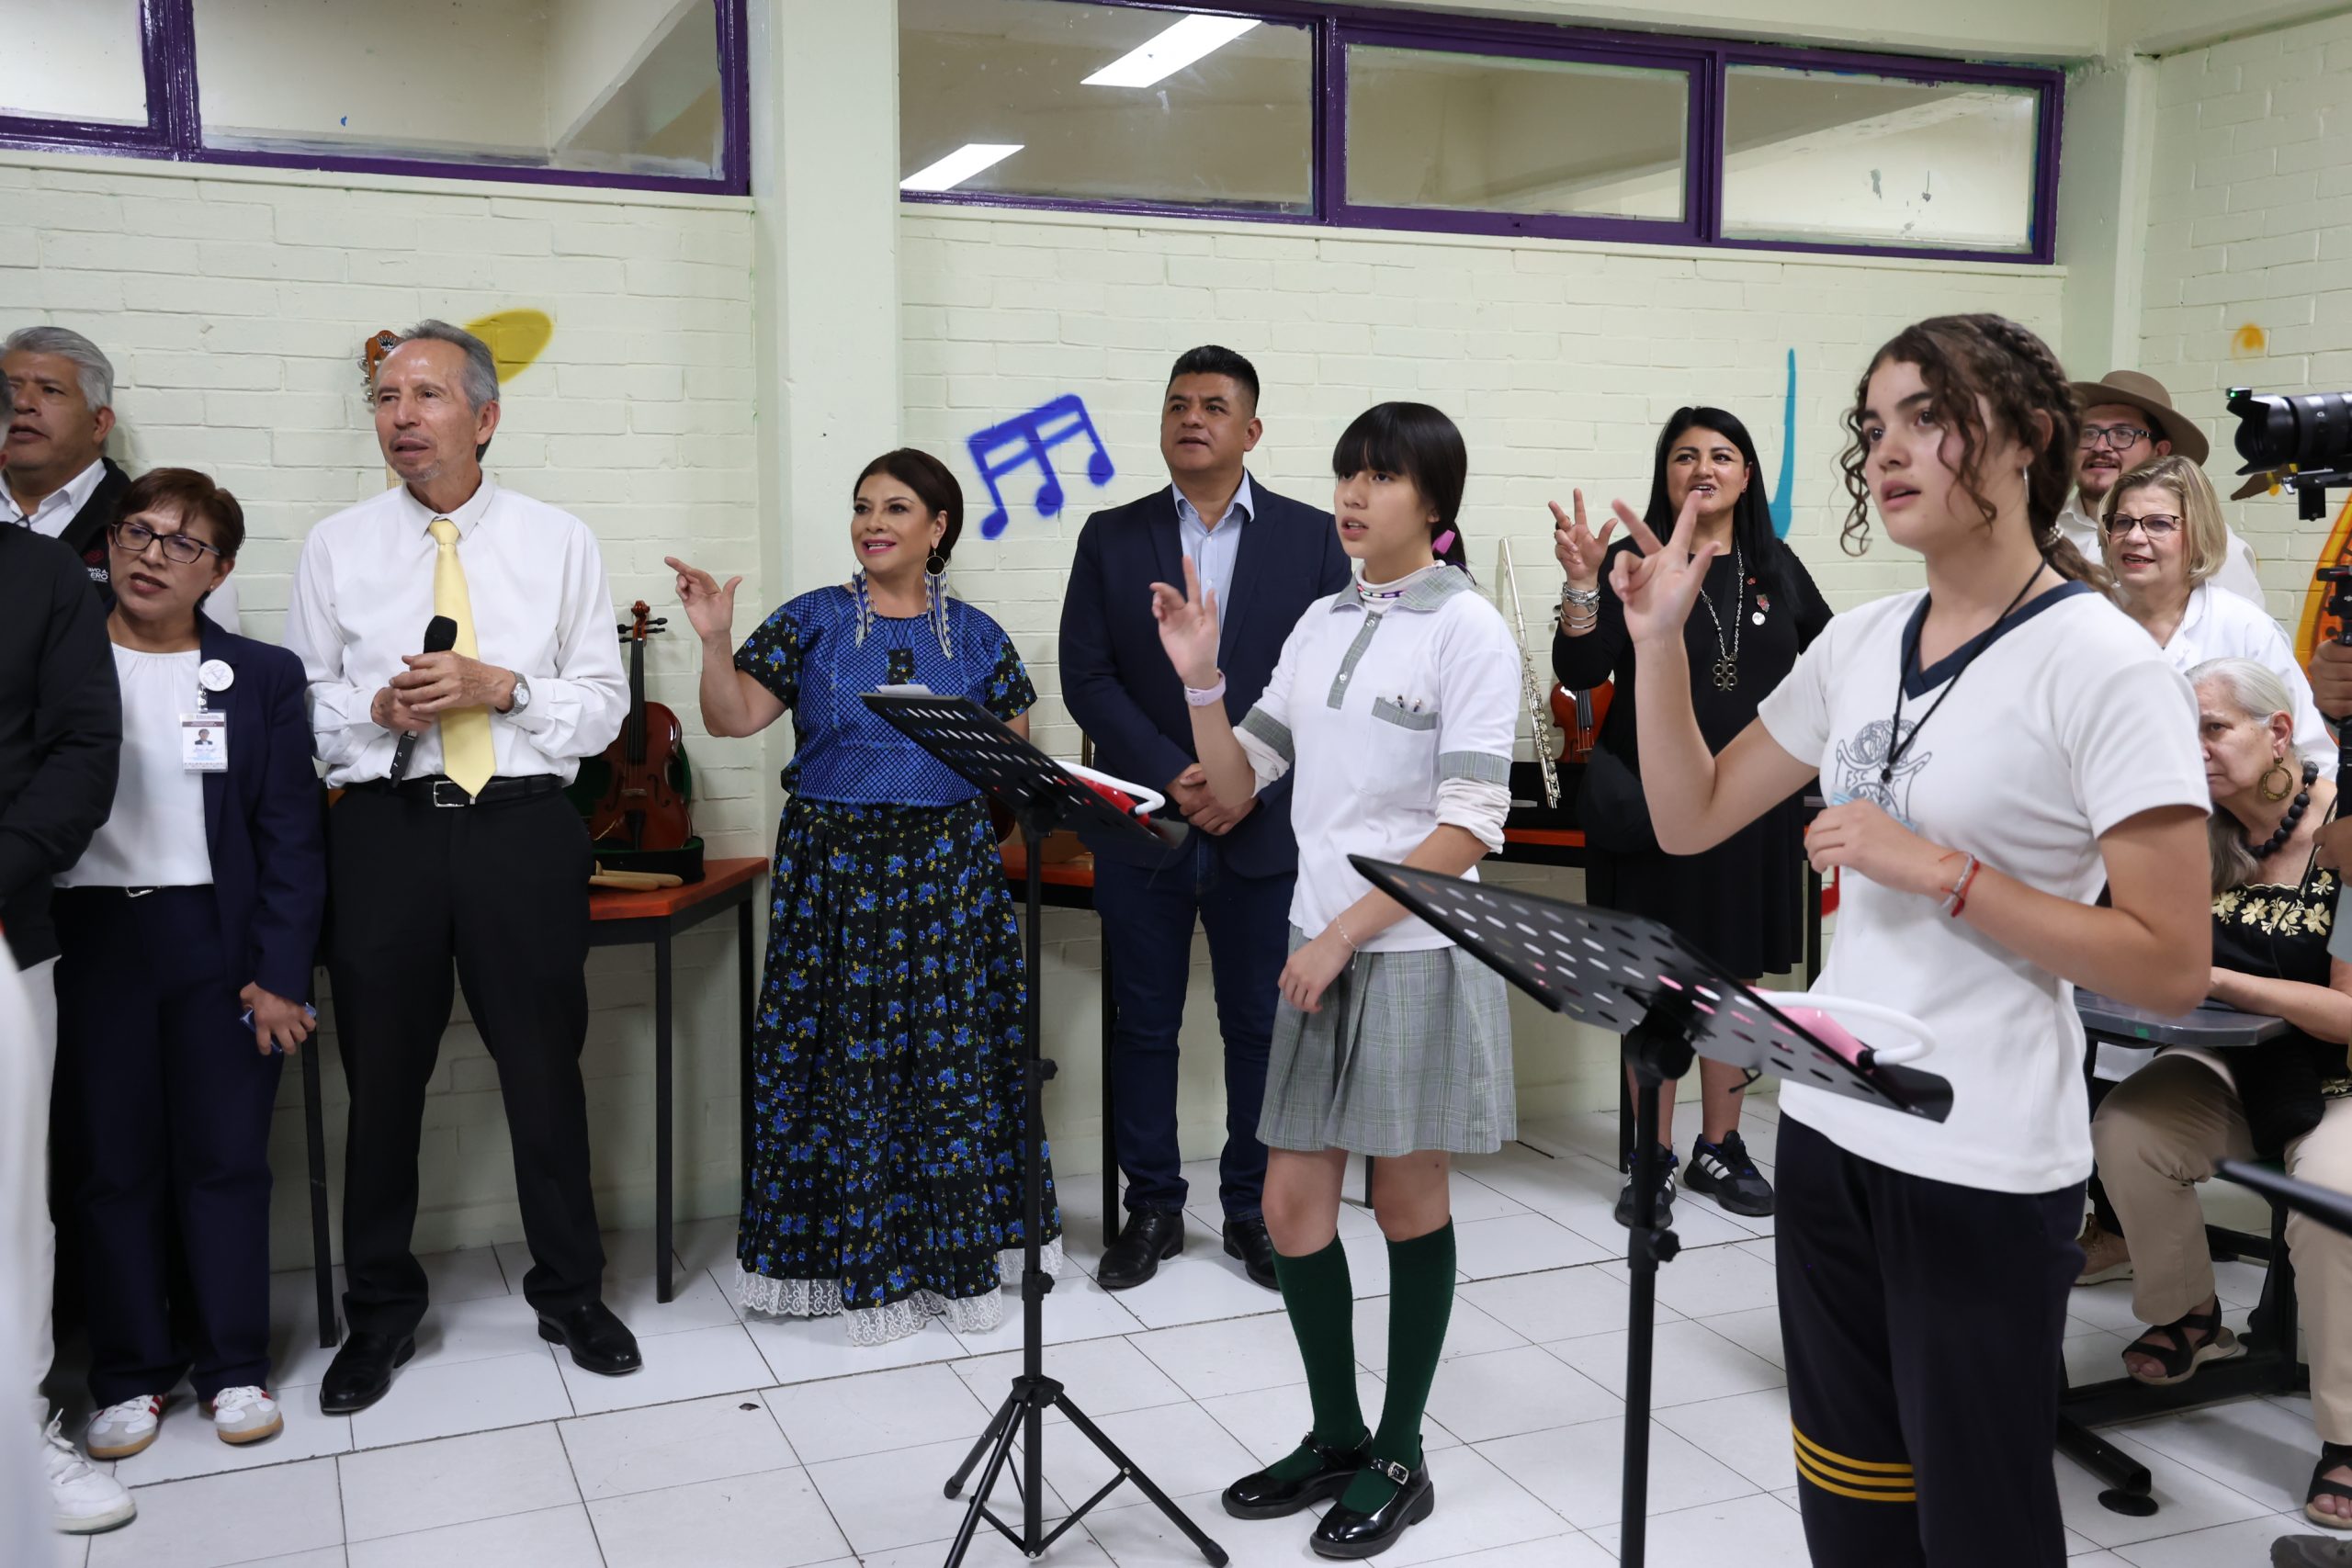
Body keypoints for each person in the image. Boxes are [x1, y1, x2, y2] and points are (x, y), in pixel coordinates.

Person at [1617, 313, 2211, 1566]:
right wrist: (1658, 642)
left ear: (2029, 442)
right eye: (1875, 424)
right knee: (1853, 1499)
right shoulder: (1859, 639)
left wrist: (1943, 871)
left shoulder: (2103, 663)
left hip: (1984, 1158)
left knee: (1978, 1513)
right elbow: (1692, 814)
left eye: (1928, 417)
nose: (1888, 451)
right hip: (1832, 1129)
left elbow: (2168, 960)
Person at [1154, 401, 1519, 1559]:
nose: (1355, 495)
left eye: (1383, 477)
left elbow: (1467, 829)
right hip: (1322, 944)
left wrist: (1340, 935)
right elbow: (1237, 781)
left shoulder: (1469, 633)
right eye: (1348, 474)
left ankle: (1400, 1453)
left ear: (1436, 505)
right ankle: (1334, 1432)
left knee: (1407, 1206)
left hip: (1403, 952)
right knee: (1290, 1207)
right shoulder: (1319, 619)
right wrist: (1203, 683)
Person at [283, 320, 635, 1415]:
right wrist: (376, 711)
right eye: (386, 398)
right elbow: (302, 705)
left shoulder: (559, 539)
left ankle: (570, 1292)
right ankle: (378, 1315)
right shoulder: (336, 546)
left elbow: (603, 705)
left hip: (522, 829)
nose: (400, 418)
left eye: (426, 396)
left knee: (543, 1073)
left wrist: (505, 689)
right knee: (380, 1085)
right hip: (384, 829)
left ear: (484, 417)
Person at [668, 449, 1057, 1344]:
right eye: (861, 506)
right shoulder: (808, 621)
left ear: (938, 528)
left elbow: (1016, 771)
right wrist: (715, 639)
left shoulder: (982, 638)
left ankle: (953, 1261)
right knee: (840, 1059)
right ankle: (849, 1258)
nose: (872, 521)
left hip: (948, 873)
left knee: (944, 1063)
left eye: (895, 507)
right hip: (832, 870)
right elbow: (731, 720)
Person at [1058, 344, 1350, 1292]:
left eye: (1214, 406)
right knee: (1142, 1026)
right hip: (1144, 823)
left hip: (1265, 829)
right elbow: (1086, 676)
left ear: (1250, 430)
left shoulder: (1312, 540)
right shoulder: (1111, 533)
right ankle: (1150, 1208)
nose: (1192, 418)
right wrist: (1172, 772)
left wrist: (1244, 783)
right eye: (1177, 403)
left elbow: (1324, 686)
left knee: (1258, 1028)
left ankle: (1251, 1210)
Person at [52, 470, 324, 1463]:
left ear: (220, 570)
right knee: (112, 1169)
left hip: (218, 943)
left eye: (182, 542)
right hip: (88, 944)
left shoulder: (260, 675)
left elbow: (291, 834)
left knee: (224, 1160)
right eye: (136, 532)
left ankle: (232, 1366)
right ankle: (128, 1375)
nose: (151, 554)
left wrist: (280, 973)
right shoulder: (58, 659)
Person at [1551, 407, 1832, 1225]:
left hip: (1751, 811)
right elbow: (1580, 666)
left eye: (1722, 454)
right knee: (1655, 986)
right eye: (1684, 455)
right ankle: (1650, 1153)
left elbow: (1831, 668)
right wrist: (1582, 582)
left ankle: (1721, 1146)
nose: (1703, 467)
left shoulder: (1777, 569)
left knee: (1735, 983)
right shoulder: (1632, 561)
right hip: (1651, 809)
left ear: (1746, 476)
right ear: (1665, 475)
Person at [2090, 656, 2352, 1530]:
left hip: (2344, 1074)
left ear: (2279, 731)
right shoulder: (2193, 829)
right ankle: (2192, 1315)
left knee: (2325, 1192)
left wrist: (2233, 984)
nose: (2193, 748)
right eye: (2183, 730)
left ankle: (2347, 1433)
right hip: (2249, 1069)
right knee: (2128, 1126)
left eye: (2213, 727)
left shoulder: (2344, 828)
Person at [0, 520, 128, 1534]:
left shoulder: (37, 571)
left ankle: (18, 1437)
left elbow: (82, 749)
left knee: (10, 1209)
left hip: (1, 920)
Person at [3, 326, 239, 631]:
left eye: (50, 390)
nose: (22, 403)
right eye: (8, 388)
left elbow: (214, 662)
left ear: (100, 423)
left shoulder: (160, 533)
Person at [2102, 457, 2331, 760]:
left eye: (2158, 523)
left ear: (2198, 533)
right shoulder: (2086, 620)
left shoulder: (2246, 629)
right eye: (2122, 522)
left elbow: (2313, 755)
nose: (2133, 537)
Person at [2058, 367, 2260, 606]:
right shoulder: (2043, 533)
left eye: (2122, 434)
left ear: (2160, 452)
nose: (2100, 446)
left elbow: (2240, 637)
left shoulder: (2207, 547)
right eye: (2087, 433)